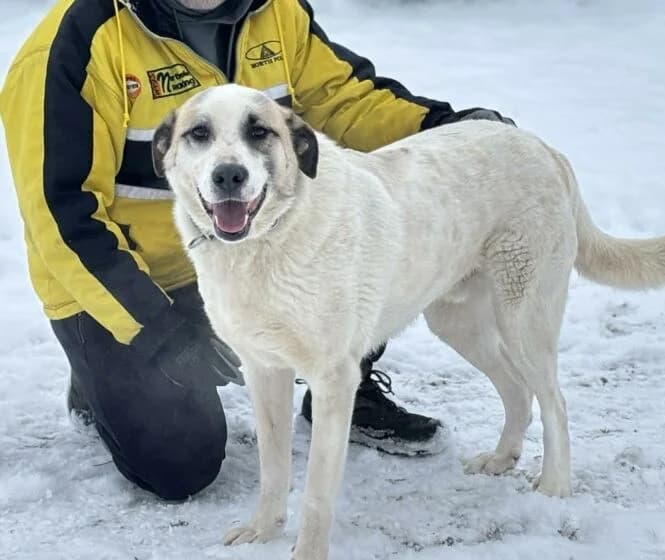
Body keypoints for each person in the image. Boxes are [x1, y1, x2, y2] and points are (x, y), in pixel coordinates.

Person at [0, 0, 513, 502]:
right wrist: (161, 333)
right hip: (124, 282)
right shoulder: (77, 44)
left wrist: (446, 127)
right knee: (180, 464)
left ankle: (342, 385)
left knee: (355, 226)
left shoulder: (274, 10)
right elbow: (64, 217)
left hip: (248, 250)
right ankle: (98, 377)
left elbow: (344, 100)